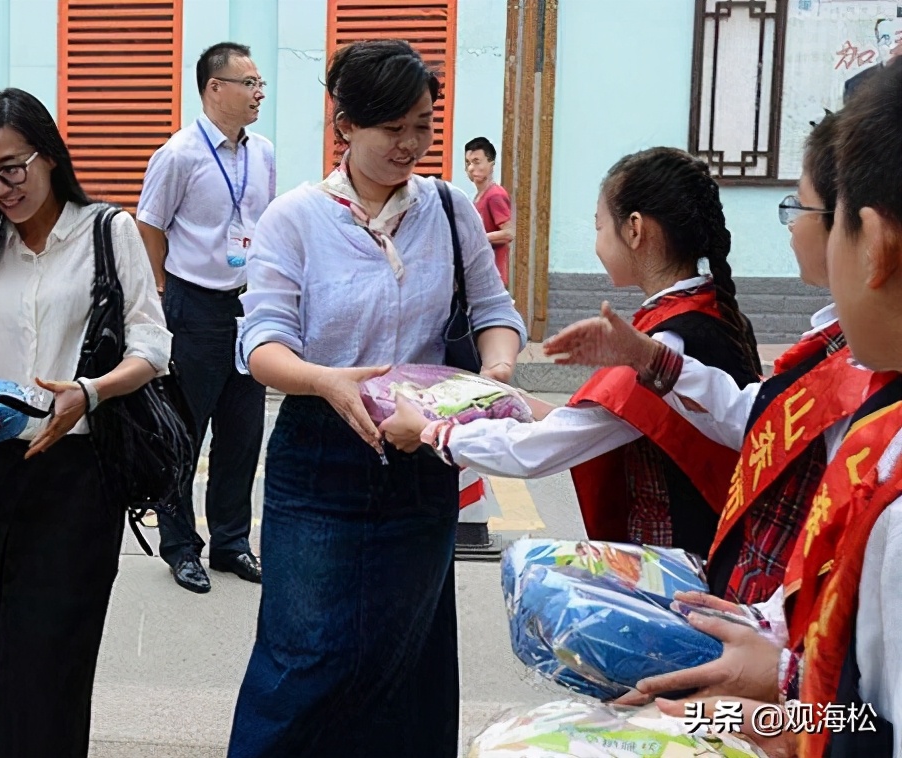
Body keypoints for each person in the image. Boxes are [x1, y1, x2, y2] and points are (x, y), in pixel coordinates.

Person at [546, 63, 902, 758]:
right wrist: (778, 670)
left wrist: (759, 719)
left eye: (801, 212)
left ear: (874, 243)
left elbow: (864, 727)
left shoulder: (886, 466)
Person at [227, 40, 526, 757]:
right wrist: (325, 380)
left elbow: (495, 311)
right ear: (345, 126)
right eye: (392, 127)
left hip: (420, 454)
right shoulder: (294, 219)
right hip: (318, 454)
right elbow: (261, 345)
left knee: (408, 660)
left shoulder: (451, 212)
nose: (411, 144)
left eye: (423, 125)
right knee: (303, 657)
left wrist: (496, 373)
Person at [0, 88, 171, 758]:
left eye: (12, 168)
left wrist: (90, 391)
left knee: (50, 664)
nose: (1, 188)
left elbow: (152, 348)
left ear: (49, 155)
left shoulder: (108, 230)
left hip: (79, 478)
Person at [384, 147, 762, 559]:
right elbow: (605, 420)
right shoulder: (709, 310)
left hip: (686, 562)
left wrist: (434, 431)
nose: (596, 240)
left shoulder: (668, 340)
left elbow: (540, 448)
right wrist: (507, 401)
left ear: (634, 230)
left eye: (600, 225)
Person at [136, 41, 275, 593]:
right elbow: (149, 224)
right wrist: (162, 294)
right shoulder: (179, 154)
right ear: (215, 88)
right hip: (193, 307)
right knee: (183, 435)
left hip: (249, 307)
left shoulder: (263, 151)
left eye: (260, 83)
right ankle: (180, 547)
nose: (259, 93)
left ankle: (232, 543)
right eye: (250, 83)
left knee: (242, 433)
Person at [464, 136, 513, 284]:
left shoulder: (495, 195)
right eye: (468, 163)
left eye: (477, 162)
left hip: (493, 276)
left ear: (491, 164)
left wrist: (478, 238)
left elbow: (509, 233)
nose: (471, 168)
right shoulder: (479, 197)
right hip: (481, 273)